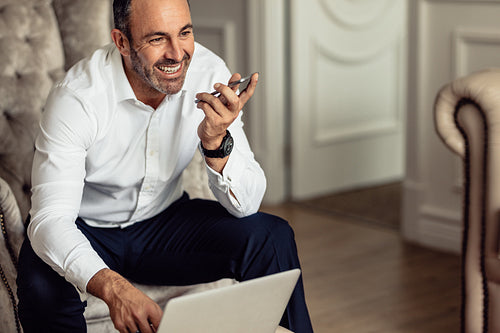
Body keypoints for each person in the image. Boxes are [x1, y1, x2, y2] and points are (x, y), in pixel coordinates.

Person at [16, 0, 313, 332]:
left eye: (184, 32)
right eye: (157, 39)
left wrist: (217, 143)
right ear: (122, 42)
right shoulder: (77, 97)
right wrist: (113, 288)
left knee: (272, 237)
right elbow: (50, 220)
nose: (177, 53)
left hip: (163, 225)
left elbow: (248, 206)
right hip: (85, 227)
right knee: (41, 288)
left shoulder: (207, 73)